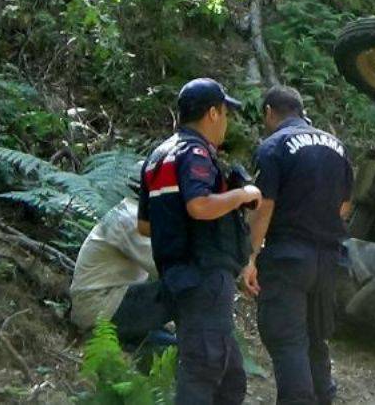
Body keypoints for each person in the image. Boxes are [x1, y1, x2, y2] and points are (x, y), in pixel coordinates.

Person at [138, 78, 261, 405]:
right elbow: (199, 205)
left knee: (230, 377)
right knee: (203, 370)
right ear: (212, 113)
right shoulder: (195, 152)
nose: (226, 122)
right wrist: (241, 194)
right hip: (204, 275)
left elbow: (145, 225)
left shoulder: (157, 156)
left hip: (176, 278)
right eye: (225, 113)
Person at [241, 85, 354, 405]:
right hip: (329, 258)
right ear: (301, 111)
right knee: (316, 338)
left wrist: (250, 256)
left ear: (269, 113)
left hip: (288, 257)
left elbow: (264, 207)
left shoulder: (273, 146)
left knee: (287, 340)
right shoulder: (337, 147)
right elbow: (345, 207)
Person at [70, 197, 173, 346]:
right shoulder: (130, 219)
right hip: (102, 306)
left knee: (173, 347)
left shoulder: (130, 213)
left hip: (103, 305)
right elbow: (169, 267)